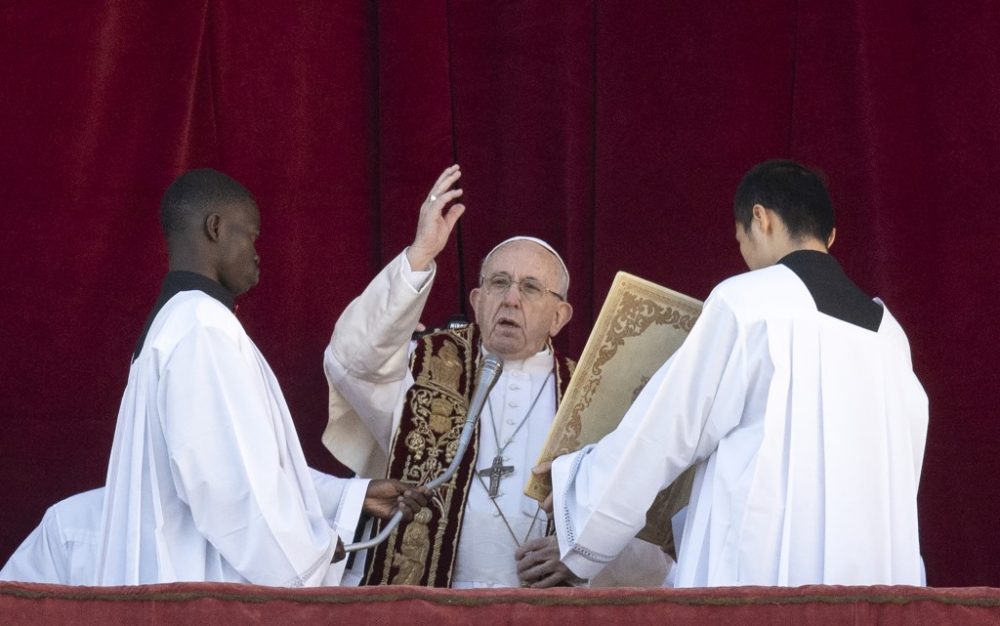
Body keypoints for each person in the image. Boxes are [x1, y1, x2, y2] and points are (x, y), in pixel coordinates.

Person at [541, 159, 929, 587]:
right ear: (830, 236)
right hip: (872, 577)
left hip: (764, 571)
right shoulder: (890, 335)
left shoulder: (746, 303)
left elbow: (665, 429)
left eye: (740, 236)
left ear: (760, 218)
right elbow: (903, 471)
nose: (743, 253)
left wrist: (580, 503)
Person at [323, 165, 671, 588]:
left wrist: (581, 550)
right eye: (499, 283)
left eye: (530, 288)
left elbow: (644, 529)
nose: (510, 299)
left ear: (560, 316)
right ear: (477, 299)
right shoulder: (421, 368)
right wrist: (421, 253)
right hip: (428, 607)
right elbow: (350, 361)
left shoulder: (592, 395)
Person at [94, 168, 425, 587]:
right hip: (202, 593)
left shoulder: (177, 322)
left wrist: (352, 497)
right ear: (214, 228)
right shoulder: (202, 326)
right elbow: (227, 487)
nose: (256, 253)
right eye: (251, 235)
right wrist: (312, 549)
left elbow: (255, 465)